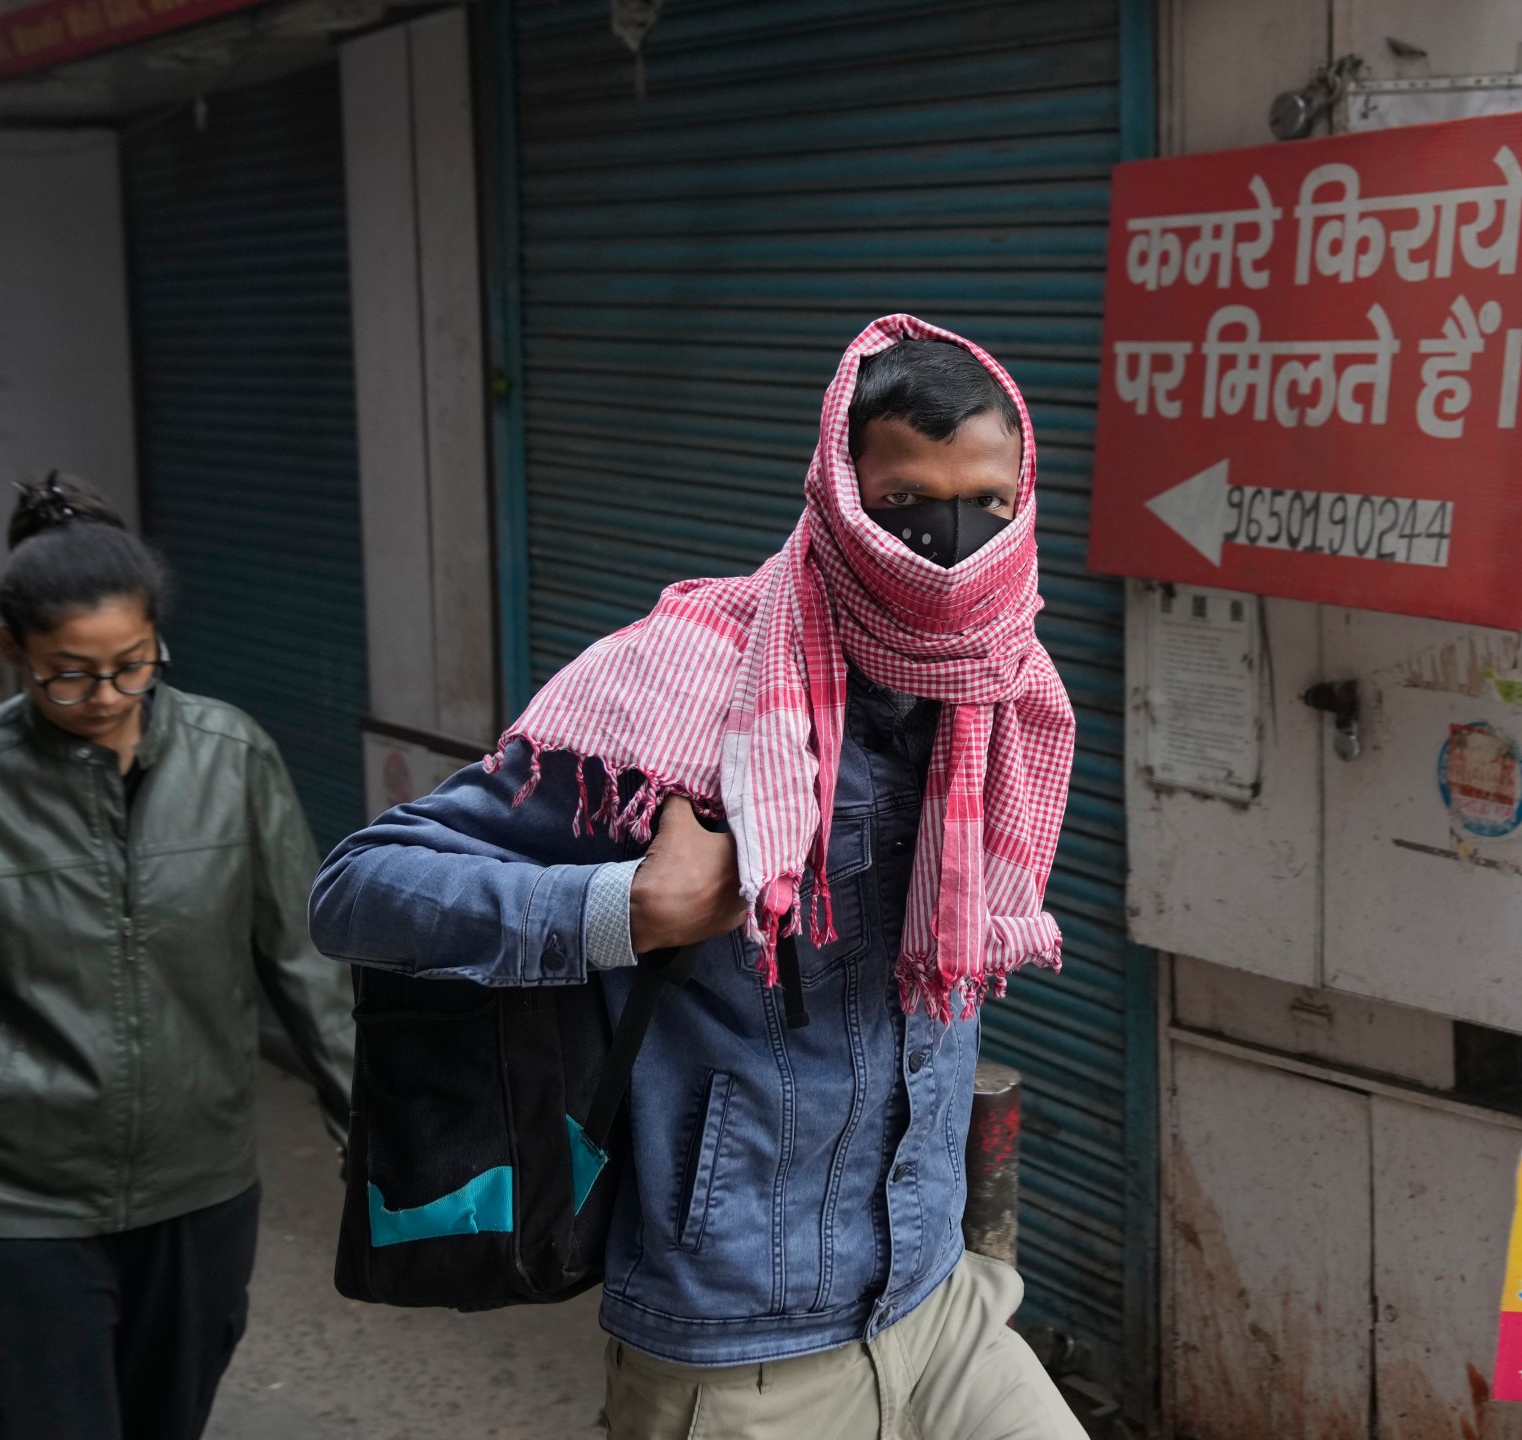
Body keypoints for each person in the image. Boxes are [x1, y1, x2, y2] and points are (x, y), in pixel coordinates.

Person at [311, 317, 1084, 1438]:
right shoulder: (679, 688)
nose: (951, 546)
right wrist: (624, 908)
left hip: (936, 1304)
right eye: (910, 505)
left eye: (989, 507)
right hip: (741, 1352)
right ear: (835, 493)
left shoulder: (1000, 692)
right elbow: (359, 887)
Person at [0, 475, 354, 1439]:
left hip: (200, 1189)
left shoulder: (234, 756)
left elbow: (306, 968)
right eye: (68, 673)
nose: (105, 697)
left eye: (133, 666)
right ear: (12, 650)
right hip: (13, 1204)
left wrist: (382, 1136)